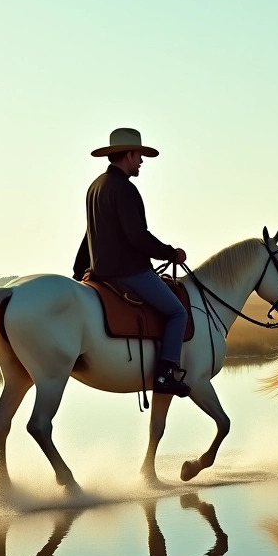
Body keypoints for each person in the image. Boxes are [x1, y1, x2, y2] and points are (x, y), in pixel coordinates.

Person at [72, 128, 190, 397]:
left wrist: (79, 271)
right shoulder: (124, 188)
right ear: (128, 154)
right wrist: (171, 253)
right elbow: (137, 237)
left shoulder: (95, 187)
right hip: (127, 272)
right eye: (139, 156)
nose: (141, 162)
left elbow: (89, 234)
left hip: (99, 272)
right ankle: (164, 375)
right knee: (177, 312)